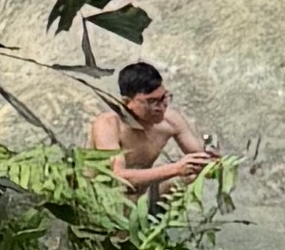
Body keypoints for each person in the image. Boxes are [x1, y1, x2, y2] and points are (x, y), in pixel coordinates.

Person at [88, 61, 216, 208]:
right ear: (127, 102)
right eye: (152, 102)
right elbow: (118, 177)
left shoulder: (170, 121)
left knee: (187, 176)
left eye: (164, 98)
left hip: (140, 203)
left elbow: (203, 161)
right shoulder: (108, 125)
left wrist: (213, 160)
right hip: (103, 204)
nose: (161, 107)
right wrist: (175, 168)